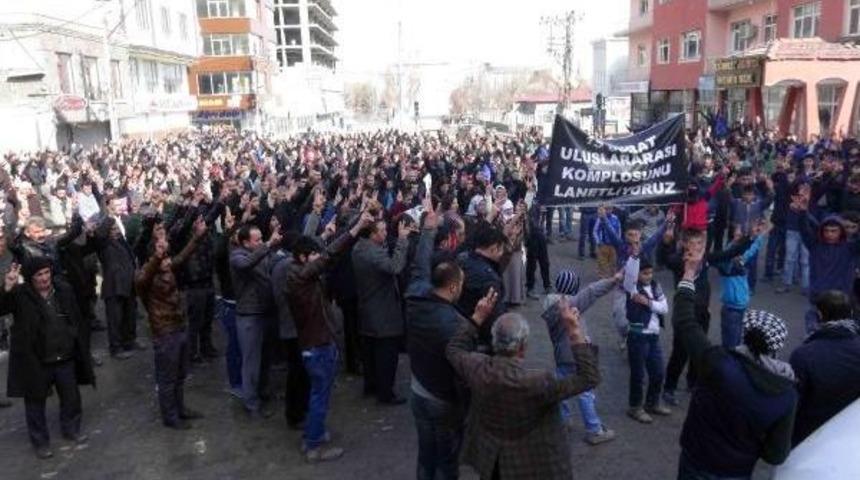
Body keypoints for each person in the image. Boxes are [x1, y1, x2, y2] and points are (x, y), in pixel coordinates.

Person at [672, 242, 797, 480]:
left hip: (695, 460)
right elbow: (776, 454)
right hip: (736, 471)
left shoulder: (719, 363)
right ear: (777, 346)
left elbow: (685, 321)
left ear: (744, 332)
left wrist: (688, 274)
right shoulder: (786, 393)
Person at [446, 291, 600, 480]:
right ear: (522, 346)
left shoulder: (478, 368)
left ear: (495, 342)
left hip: (492, 458)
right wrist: (575, 332)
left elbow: (454, 349)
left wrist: (477, 317)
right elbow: (589, 378)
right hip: (531, 463)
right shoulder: (539, 382)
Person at [286, 211, 372, 462]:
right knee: (319, 396)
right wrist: (355, 230)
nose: (318, 259)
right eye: (313, 255)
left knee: (318, 394)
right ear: (303, 258)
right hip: (317, 344)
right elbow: (330, 255)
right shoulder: (301, 277)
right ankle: (314, 447)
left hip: (316, 342)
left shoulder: (299, 275)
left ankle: (314, 434)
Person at [0, 259, 94, 459]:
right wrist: (7, 287)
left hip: (64, 356)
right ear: (30, 278)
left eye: (46, 273)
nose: (44, 278)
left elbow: (76, 316)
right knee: (35, 404)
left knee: (71, 398)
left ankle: (71, 430)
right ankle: (40, 442)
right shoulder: (20, 295)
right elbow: (2, 308)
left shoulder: (63, 290)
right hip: (37, 360)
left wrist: (75, 337)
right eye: (38, 275)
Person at [405, 204, 469, 479]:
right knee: (446, 462)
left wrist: (428, 231)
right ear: (453, 287)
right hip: (443, 400)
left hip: (418, 390)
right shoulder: (455, 325)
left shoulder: (415, 295)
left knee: (425, 455)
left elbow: (420, 265)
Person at [135, 217, 207, 430]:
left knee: (180, 374)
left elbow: (183, 256)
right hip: (164, 331)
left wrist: (198, 235)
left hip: (178, 326)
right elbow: (141, 279)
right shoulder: (145, 277)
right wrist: (157, 257)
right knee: (167, 378)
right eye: (161, 252)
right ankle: (170, 416)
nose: (167, 258)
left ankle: (180, 408)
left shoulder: (167, 267)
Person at [542, 268, 619, 445]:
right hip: (576, 353)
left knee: (561, 387)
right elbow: (591, 292)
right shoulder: (568, 305)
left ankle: (562, 420)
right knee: (585, 392)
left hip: (561, 355)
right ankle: (594, 428)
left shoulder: (550, 305)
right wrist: (613, 280)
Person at [352, 216, 412, 404]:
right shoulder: (373, 253)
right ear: (372, 234)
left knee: (370, 352)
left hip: (368, 308)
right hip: (383, 310)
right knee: (386, 355)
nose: (386, 233)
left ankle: (371, 386)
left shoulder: (358, 248)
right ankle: (385, 393)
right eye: (383, 231)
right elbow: (394, 267)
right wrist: (402, 241)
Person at [789, 290, 860, 446]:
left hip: (809, 434)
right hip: (849, 432)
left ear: (820, 315)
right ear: (851, 313)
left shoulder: (803, 355)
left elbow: (794, 401)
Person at [230, 224, 281, 418]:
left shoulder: (260, 253)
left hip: (265, 312)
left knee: (265, 358)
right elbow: (246, 264)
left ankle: (262, 392)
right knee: (251, 362)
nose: (260, 242)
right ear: (245, 242)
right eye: (256, 240)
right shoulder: (237, 256)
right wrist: (267, 244)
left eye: (261, 238)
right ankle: (251, 403)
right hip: (249, 316)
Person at [622, 255, 671, 423]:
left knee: (658, 372)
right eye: (644, 273)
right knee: (638, 375)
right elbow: (660, 306)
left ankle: (652, 402)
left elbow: (664, 308)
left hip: (653, 336)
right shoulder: (631, 288)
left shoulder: (656, 286)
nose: (648, 276)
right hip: (638, 336)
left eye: (650, 273)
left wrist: (648, 303)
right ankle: (635, 407)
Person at [91, 216, 140, 360]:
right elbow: (99, 234)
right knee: (115, 320)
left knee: (130, 315)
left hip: (128, 284)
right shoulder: (103, 243)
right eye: (112, 229)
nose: (116, 231)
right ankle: (116, 348)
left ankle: (129, 341)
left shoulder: (121, 241)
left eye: (117, 228)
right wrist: (109, 219)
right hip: (114, 286)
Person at [714, 224, 767, 348]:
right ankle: (729, 363)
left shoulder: (740, 261)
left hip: (740, 308)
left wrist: (759, 237)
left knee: (737, 341)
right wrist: (735, 242)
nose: (740, 254)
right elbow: (728, 253)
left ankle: (732, 361)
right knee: (731, 344)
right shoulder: (726, 265)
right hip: (731, 310)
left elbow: (752, 249)